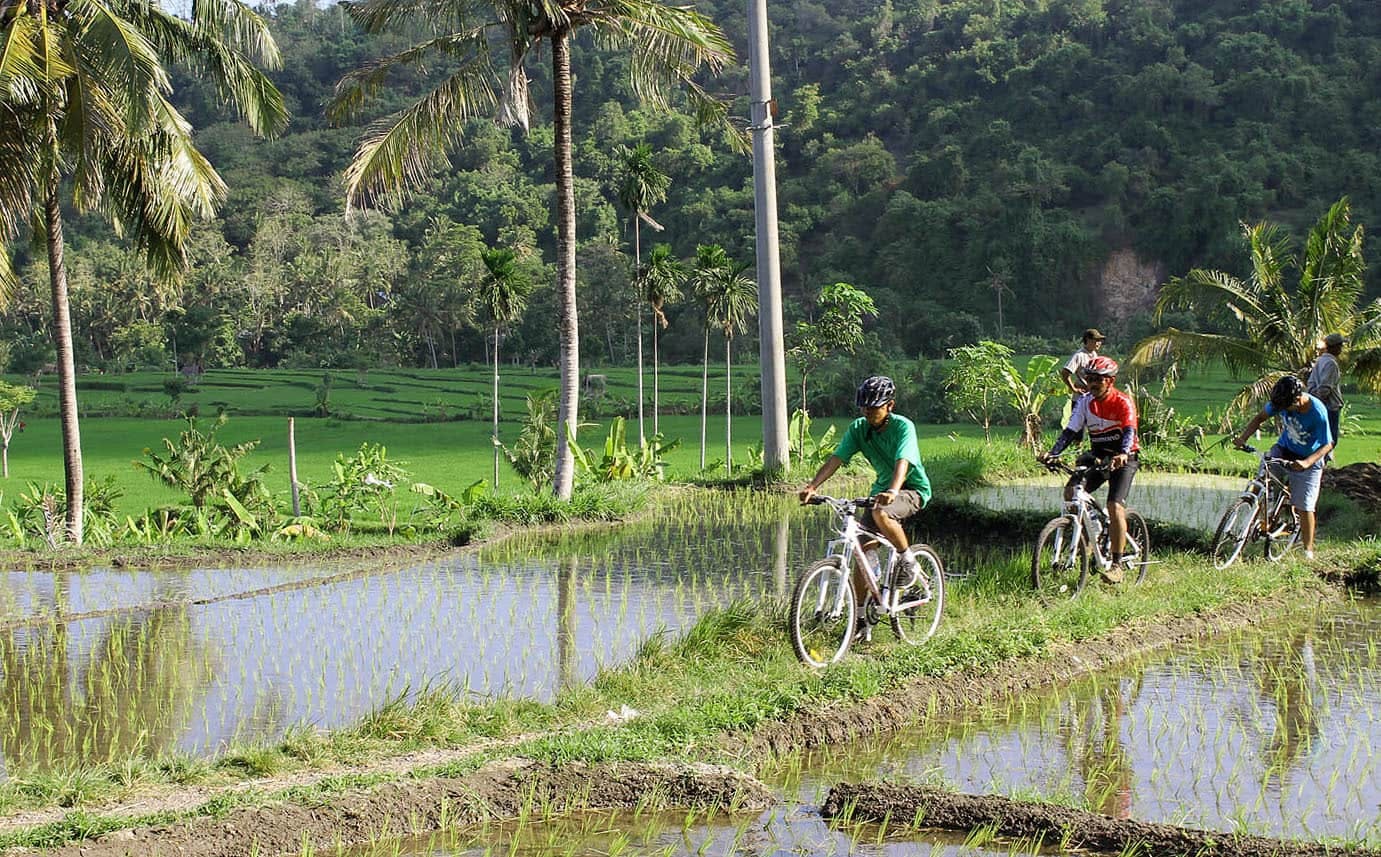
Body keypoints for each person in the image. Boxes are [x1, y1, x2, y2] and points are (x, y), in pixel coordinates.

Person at [799, 375, 932, 622]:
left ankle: (907, 561)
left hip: (911, 490)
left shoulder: (904, 427)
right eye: (865, 407)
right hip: (880, 493)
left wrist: (893, 491)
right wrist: (812, 486)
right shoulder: (859, 429)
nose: (868, 412)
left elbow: (903, 462)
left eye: (874, 407)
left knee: (881, 512)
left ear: (889, 406)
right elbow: (837, 459)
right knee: (861, 551)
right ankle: (860, 618)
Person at [1038, 355, 1139, 583]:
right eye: (1089, 378)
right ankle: (1089, 535)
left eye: (1098, 380)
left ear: (1110, 381)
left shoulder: (1123, 402)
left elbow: (1129, 431)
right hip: (1099, 456)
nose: (1092, 383)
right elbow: (1071, 430)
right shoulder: (1085, 402)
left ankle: (1116, 564)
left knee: (1114, 506)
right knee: (1071, 492)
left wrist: (1123, 454)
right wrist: (1053, 453)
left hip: (1125, 457)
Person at [1231, 375, 1333, 560]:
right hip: (1284, 449)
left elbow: (1328, 444)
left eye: (1286, 407)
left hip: (1309, 459)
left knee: (1305, 506)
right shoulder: (1280, 402)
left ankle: (1308, 551)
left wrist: (1306, 463)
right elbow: (1259, 418)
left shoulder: (1317, 412)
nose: (1283, 411)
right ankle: (1255, 515)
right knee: (1262, 479)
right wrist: (1243, 438)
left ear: (1298, 398)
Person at [1307, 332, 1344, 458]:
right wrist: (1319, 402)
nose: (1341, 348)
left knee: (1321, 438)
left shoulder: (1321, 360)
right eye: (1340, 346)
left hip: (1320, 405)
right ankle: (1321, 464)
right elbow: (1324, 388)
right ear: (1334, 347)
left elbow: (1311, 383)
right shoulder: (1331, 364)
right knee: (1330, 440)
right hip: (1329, 407)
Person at [1060, 328, 1106, 399]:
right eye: (1096, 340)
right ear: (1088, 340)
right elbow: (1065, 373)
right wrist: (1074, 389)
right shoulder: (1079, 355)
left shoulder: (1094, 354)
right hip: (1080, 397)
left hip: (1091, 396)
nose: (1098, 343)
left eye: (1100, 341)